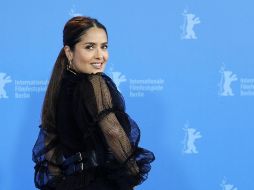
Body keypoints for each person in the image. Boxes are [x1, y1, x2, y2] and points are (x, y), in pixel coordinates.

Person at [32, 16, 155, 190]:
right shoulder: (94, 83)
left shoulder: (57, 88)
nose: (100, 55)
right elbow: (113, 131)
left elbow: (50, 146)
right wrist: (131, 172)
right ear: (69, 52)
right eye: (90, 47)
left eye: (104, 46)